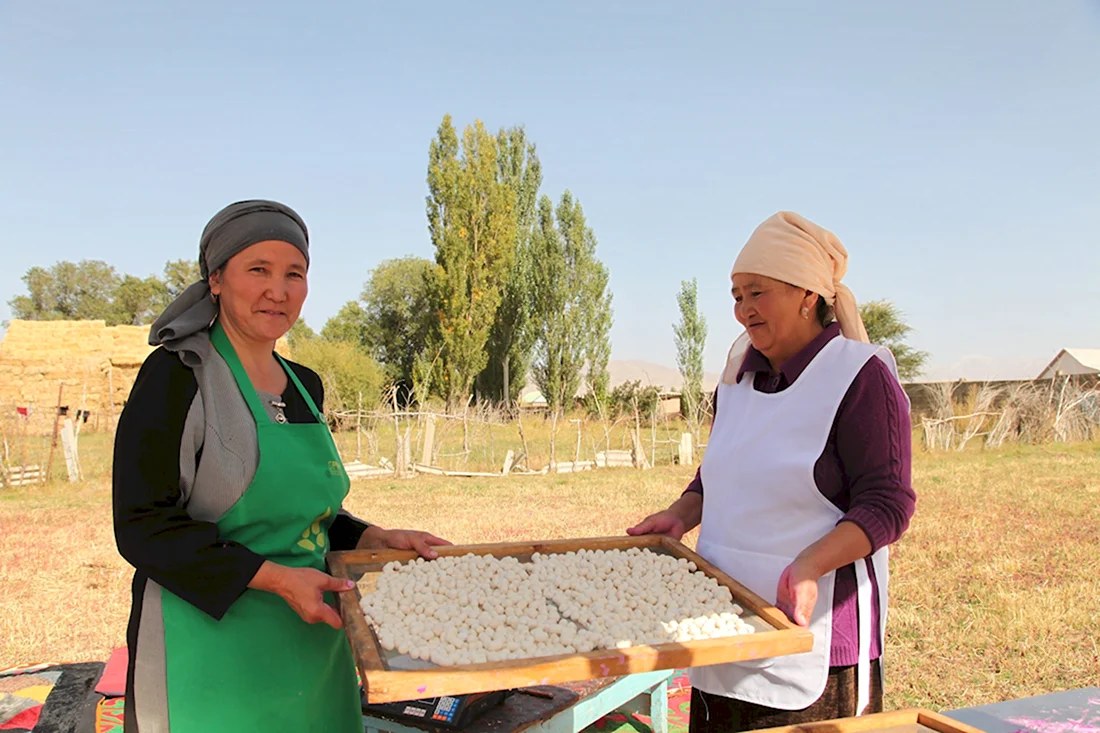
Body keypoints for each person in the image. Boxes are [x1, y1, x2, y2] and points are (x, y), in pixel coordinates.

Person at [113, 200, 450, 733]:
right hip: (207, 652)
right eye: (258, 270)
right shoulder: (177, 377)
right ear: (216, 278)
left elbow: (306, 516)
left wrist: (372, 538)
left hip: (310, 641)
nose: (279, 289)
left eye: (295, 273)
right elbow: (141, 526)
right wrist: (275, 579)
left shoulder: (304, 385)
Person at [628, 212, 916, 732]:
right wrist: (679, 516)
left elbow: (888, 504)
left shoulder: (859, 376)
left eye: (757, 293)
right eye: (737, 296)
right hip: (721, 630)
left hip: (813, 642)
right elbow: (719, 473)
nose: (743, 311)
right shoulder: (738, 378)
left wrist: (810, 563)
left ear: (807, 293)